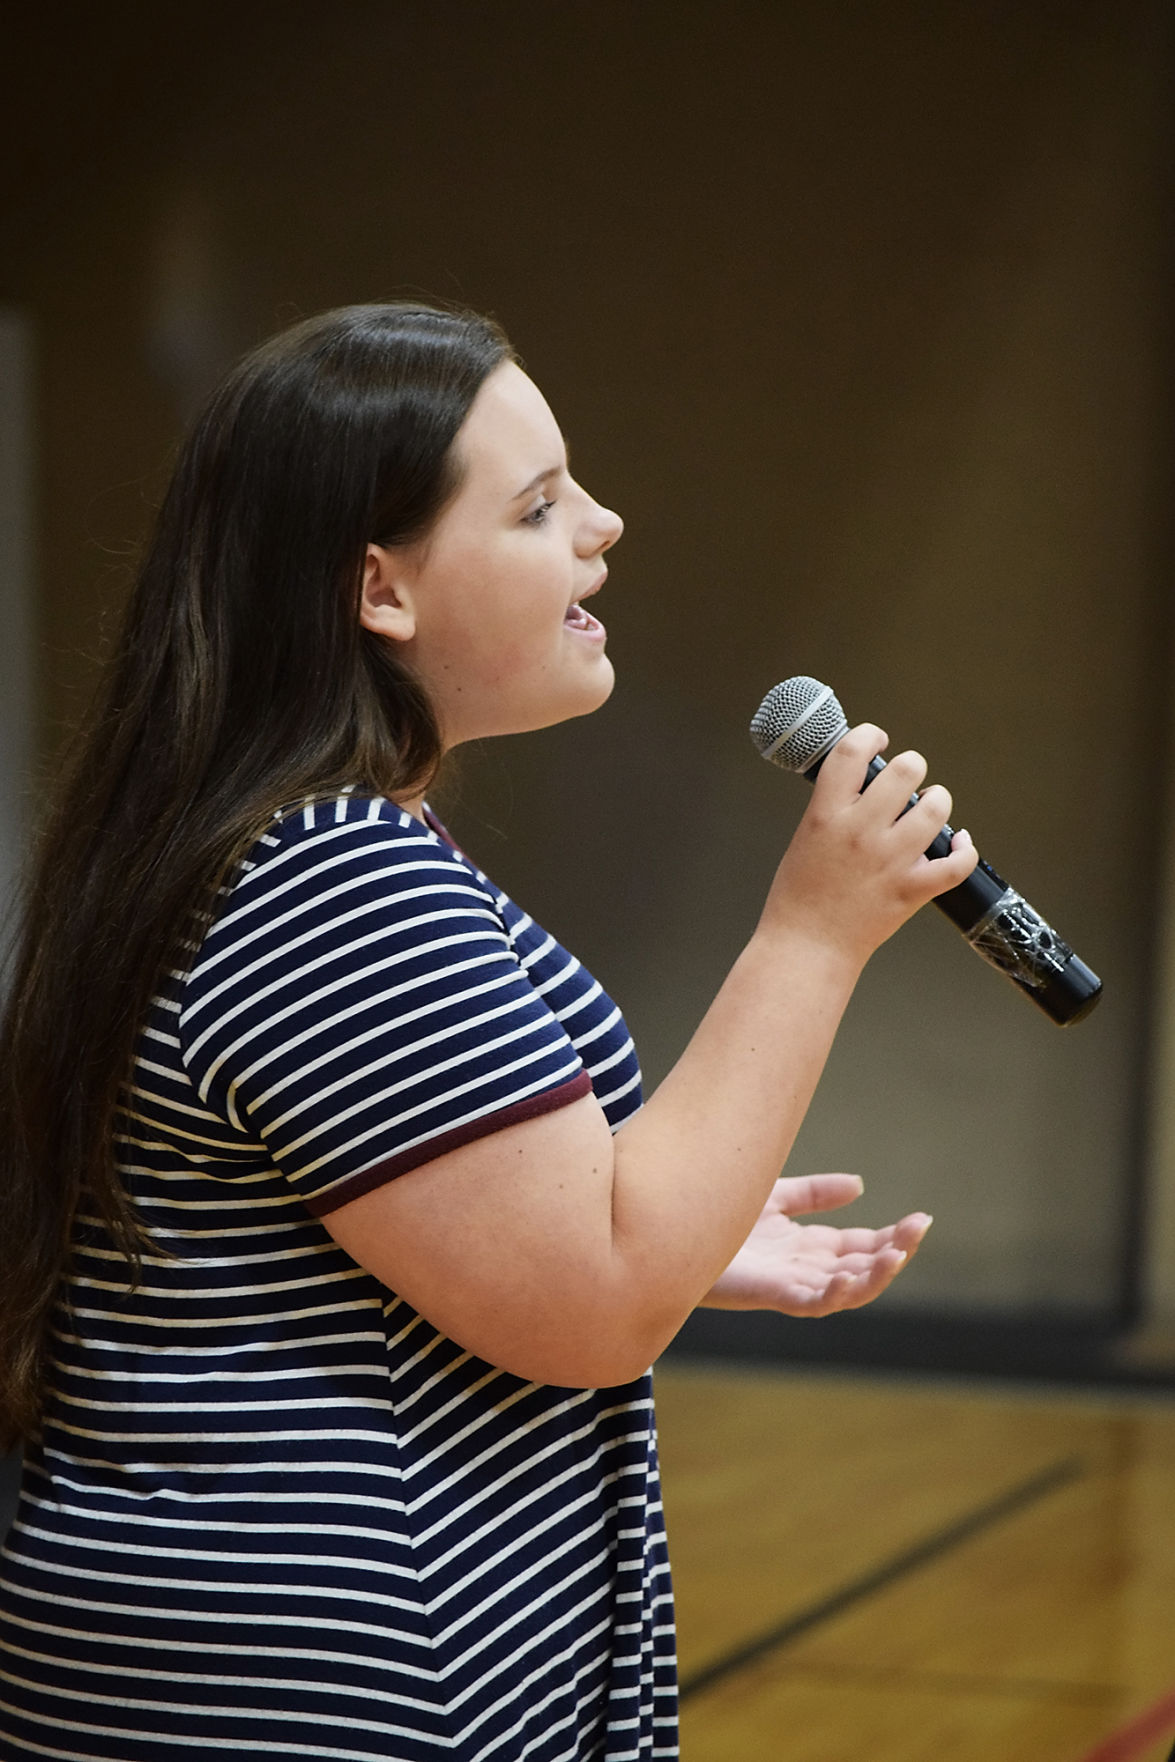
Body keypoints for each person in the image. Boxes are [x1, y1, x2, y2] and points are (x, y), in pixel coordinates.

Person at [0, 302, 978, 1761]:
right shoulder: (337, 878)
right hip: (309, 1689)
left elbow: (375, 1232)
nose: (604, 524)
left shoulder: (277, 841)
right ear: (380, 589)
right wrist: (814, 929)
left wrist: (671, 1218)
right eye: (538, 507)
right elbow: (592, 1304)